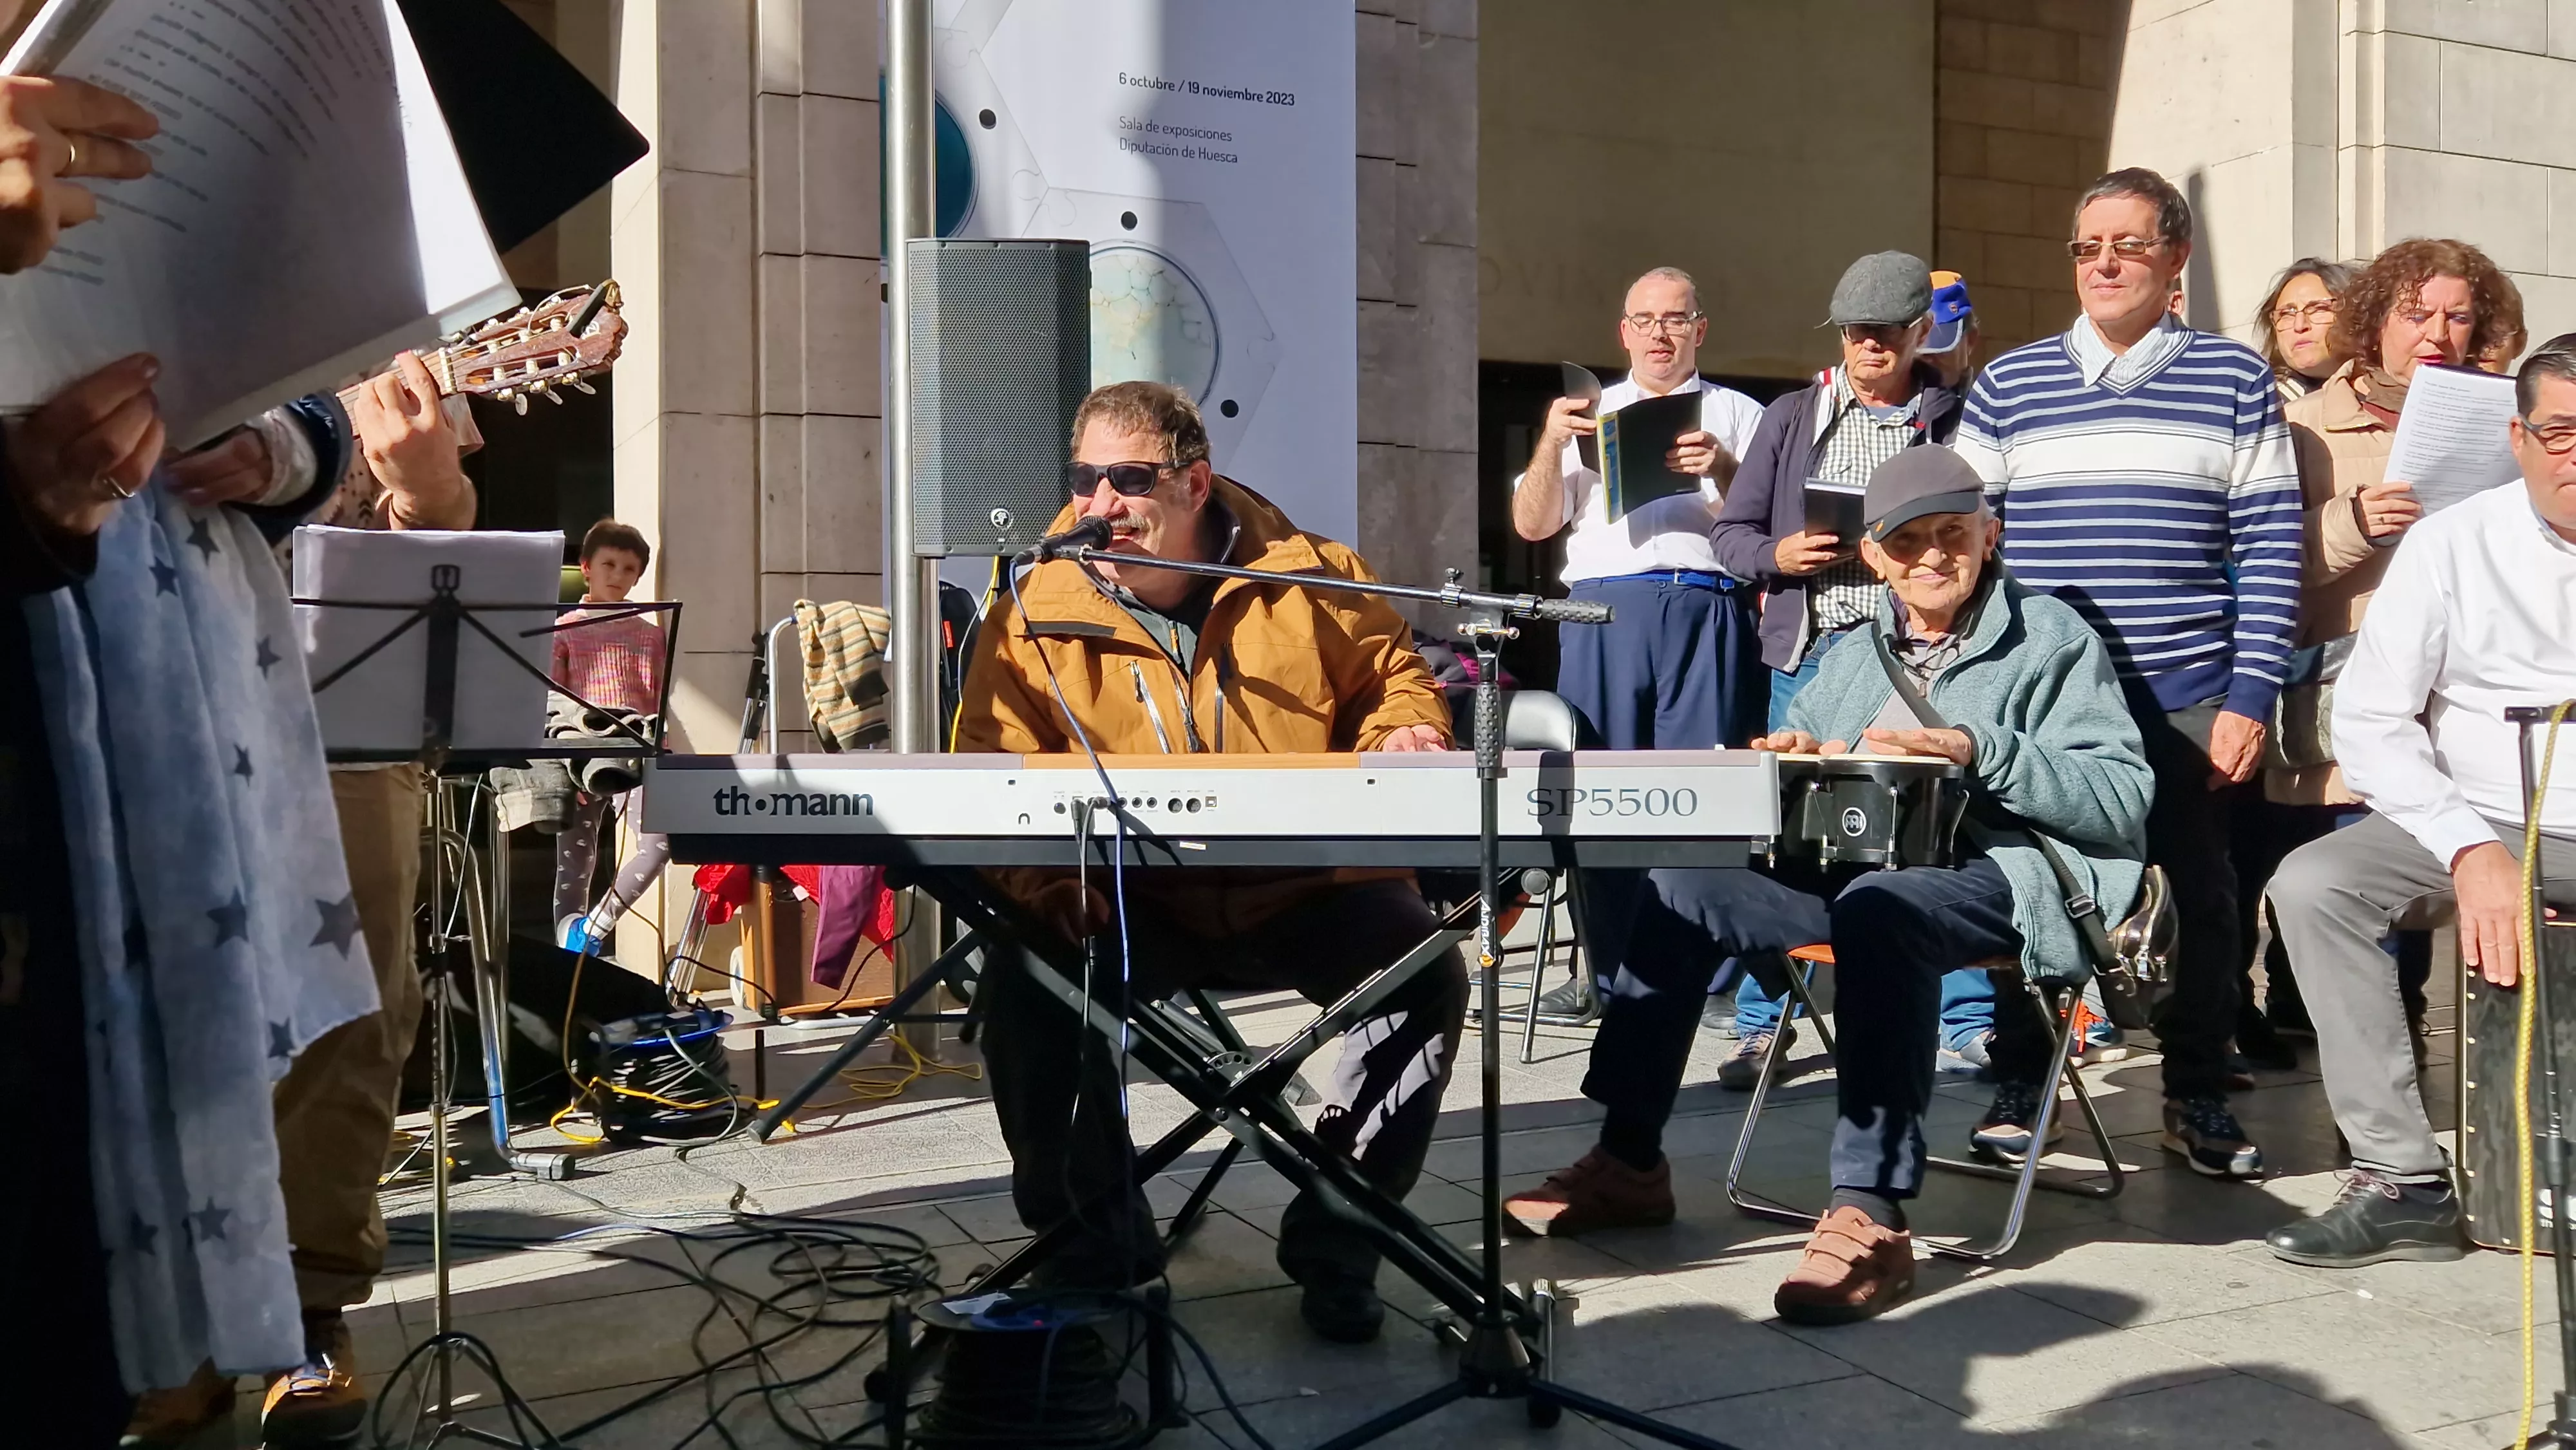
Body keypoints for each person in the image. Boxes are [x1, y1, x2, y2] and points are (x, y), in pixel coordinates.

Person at [1503, 448, 2151, 1328]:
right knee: (1682, 880)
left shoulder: (2053, 639)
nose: (1932, 556)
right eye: (1908, 540)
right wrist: (1786, 762)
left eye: (1952, 534)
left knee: (1883, 914)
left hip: (2005, 873)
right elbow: (1799, 760)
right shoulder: (1850, 656)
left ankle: (1872, 1211)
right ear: (1876, 559)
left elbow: (2120, 802)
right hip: (1857, 874)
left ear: (1989, 536)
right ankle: (1629, 1157)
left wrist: (1979, 749)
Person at [954, 381, 1465, 1349]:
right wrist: (1043, 888)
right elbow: (988, 765)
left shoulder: (1314, 576)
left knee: (1423, 976)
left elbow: (1396, 676)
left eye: (1129, 479)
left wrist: (1407, 729)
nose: (1099, 504)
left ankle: (1339, 1242)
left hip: (1309, 890)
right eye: (1085, 479)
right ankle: (1094, 1253)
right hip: (1129, 899)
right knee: (1028, 982)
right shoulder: (1032, 602)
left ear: (1195, 482)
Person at [122, 353, 482, 1450]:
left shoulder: (380, 302)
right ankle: (169, 1321)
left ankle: (306, 1309)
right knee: (148, 1000)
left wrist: (426, 486)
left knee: (355, 1007)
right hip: (146, 673)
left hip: (339, 723)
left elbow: (447, 530)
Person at [1951, 166, 2302, 1180]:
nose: (2104, 264)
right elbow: (1973, 544)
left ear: (2176, 260)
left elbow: (2273, 545)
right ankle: (2030, 1079)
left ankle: (2195, 1091)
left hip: (2189, 691)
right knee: (2033, 887)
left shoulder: (2234, 380)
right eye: (2087, 246)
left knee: (2204, 895)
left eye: (2129, 245)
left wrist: (2251, 698)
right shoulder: (2009, 384)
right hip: (2046, 702)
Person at [2261, 335, 2576, 1267]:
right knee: (2316, 885)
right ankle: (2403, 1178)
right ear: (2518, 441)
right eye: (2558, 432)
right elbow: (2371, 718)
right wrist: (2468, 848)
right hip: (2477, 815)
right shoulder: (2452, 542)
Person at [2244, 240, 2523, 1062]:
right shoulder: (2301, 425)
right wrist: (2352, 522)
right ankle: (2366, 1108)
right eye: (2415, 312)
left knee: (2436, 893)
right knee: (2344, 892)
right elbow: (2263, 568)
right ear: (2372, 320)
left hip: (2464, 699)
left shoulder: (2504, 421)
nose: (2436, 331)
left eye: (2458, 315)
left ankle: (2426, 1087)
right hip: (2345, 695)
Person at [1706, 251, 1965, 1083]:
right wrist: (1778, 554)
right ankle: (1765, 1021)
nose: (1869, 349)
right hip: (1810, 656)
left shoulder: (1953, 415)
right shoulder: (1793, 417)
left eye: (1885, 334)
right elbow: (1730, 535)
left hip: (1916, 657)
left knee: (1936, 840)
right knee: (1786, 844)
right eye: (1856, 335)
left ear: (1919, 332)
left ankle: (1961, 1021)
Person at [1510, 265, 1768, 752]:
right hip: (1605, 609)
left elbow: (1767, 528)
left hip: (1705, 604)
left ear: (1700, 329)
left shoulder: (1740, 412)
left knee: (1702, 777)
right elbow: (1530, 525)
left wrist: (1723, 468)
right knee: (1600, 770)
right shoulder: (1588, 412)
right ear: (1625, 332)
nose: (1660, 334)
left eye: (1675, 319)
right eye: (1645, 320)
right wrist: (1551, 441)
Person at [551, 517, 669, 950]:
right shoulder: (565, 629)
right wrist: (565, 764)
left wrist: (662, 753)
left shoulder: (651, 634)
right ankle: (569, 954)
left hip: (638, 754)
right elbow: (554, 702)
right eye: (609, 565)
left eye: (629, 569)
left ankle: (594, 929)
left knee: (659, 843)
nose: (619, 576)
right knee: (574, 866)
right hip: (583, 755)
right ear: (586, 567)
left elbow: (657, 699)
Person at [2259, 258, 2356, 402]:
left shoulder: (2389, 393)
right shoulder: (2262, 403)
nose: (2299, 326)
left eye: (2319, 309)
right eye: (2286, 314)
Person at [1920, 269, 1982, 391]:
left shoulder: (1988, 407)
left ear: (1970, 339)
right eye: (1918, 340)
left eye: (1940, 339)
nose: (1925, 355)